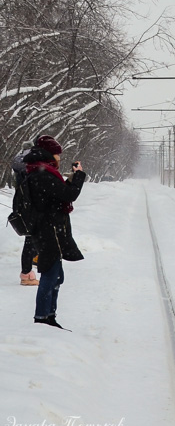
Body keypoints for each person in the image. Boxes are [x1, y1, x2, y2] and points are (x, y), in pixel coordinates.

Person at [22, 135, 85, 329]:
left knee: (56, 276)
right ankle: (42, 318)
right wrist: (79, 176)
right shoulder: (42, 173)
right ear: (50, 154)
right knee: (50, 275)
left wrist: (71, 179)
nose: (59, 158)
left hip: (49, 229)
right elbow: (68, 194)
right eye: (57, 154)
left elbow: (57, 194)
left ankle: (49, 316)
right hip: (48, 231)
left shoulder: (40, 171)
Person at [11, 151, 39, 285]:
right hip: (31, 210)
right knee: (31, 240)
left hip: (25, 209)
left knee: (32, 239)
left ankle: (30, 266)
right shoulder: (30, 171)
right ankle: (26, 273)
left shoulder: (21, 169)